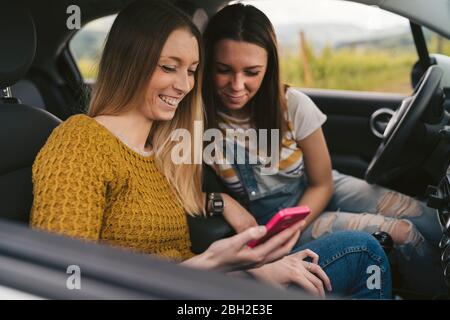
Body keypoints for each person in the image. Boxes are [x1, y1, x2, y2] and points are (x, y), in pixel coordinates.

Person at [30, 0, 391, 299]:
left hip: (204, 284)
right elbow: (59, 280)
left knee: (362, 250)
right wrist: (217, 265)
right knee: (362, 253)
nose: (184, 85)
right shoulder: (79, 143)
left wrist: (248, 262)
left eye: (192, 71)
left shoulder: (163, 148)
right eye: (169, 68)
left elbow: (183, 205)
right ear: (129, 63)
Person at [201, 3, 445, 296]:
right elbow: (182, 188)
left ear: (269, 68)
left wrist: (297, 216)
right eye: (223, 70)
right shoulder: (197, 120)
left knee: (428, 218)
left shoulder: (293, 105)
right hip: (276, 223)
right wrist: (224, 202)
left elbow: (322, 181)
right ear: (206, 64)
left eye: (252, 72)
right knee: (405, 235)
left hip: (318, 192)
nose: (237, 85)